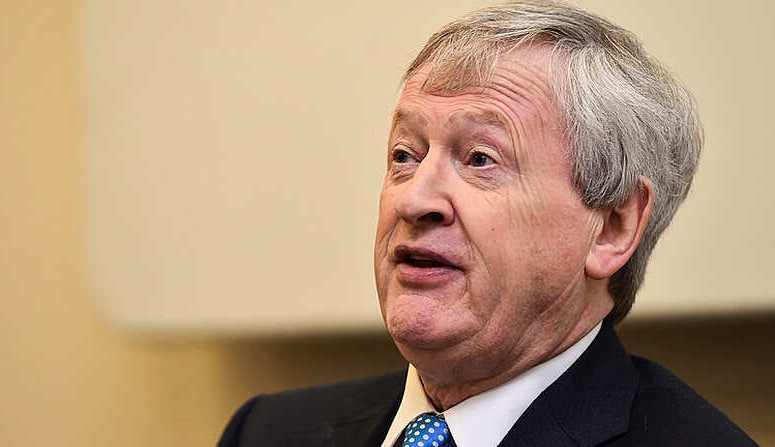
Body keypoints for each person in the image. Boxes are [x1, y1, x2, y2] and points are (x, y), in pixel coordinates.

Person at [218, 1, 757, 446]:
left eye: (479, 159)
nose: (415, 199)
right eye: (406, 155)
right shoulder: (266, 432)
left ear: (612, 227)